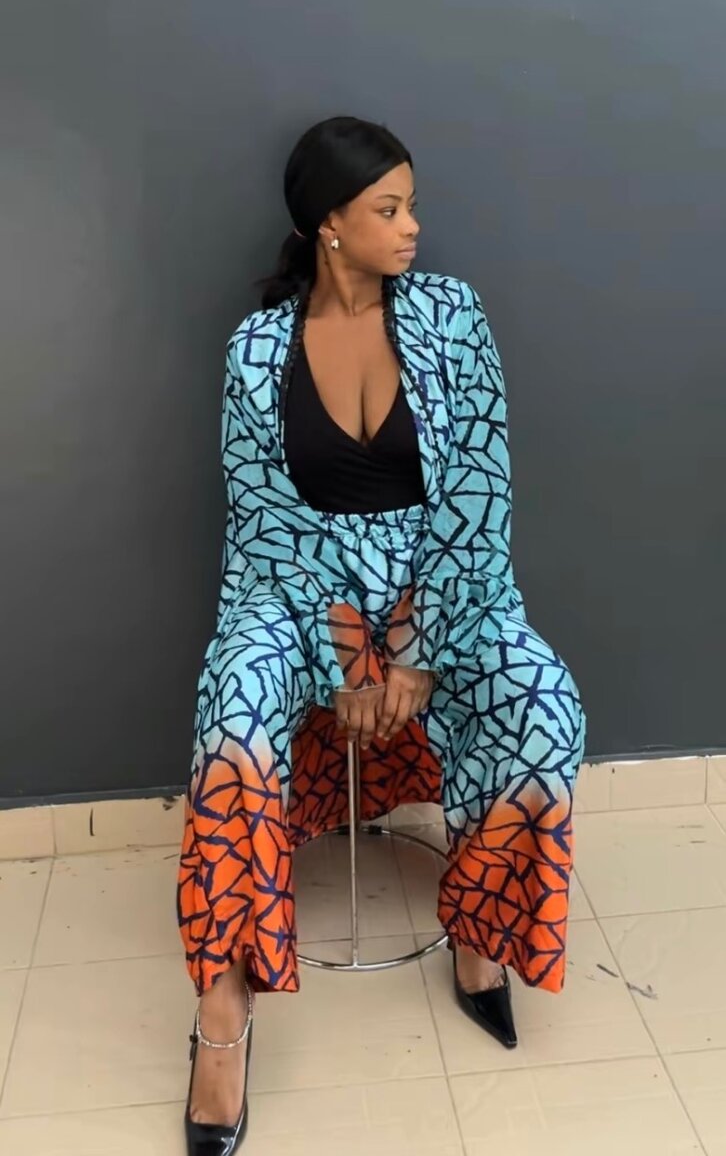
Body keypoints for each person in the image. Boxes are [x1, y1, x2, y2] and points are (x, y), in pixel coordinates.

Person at [177, 116, 586, 1155]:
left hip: (444, 583)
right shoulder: (256, 350)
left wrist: (420, 650)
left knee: (543, 702)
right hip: (292, 590)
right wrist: (343, 655)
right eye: (389, 209)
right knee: (231, 724)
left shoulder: (452, 315)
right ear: (331, 223)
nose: (413, 227)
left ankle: (480, 930)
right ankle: (221, 1014)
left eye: (412, 205)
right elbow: (262, 518)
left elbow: (481, 491)